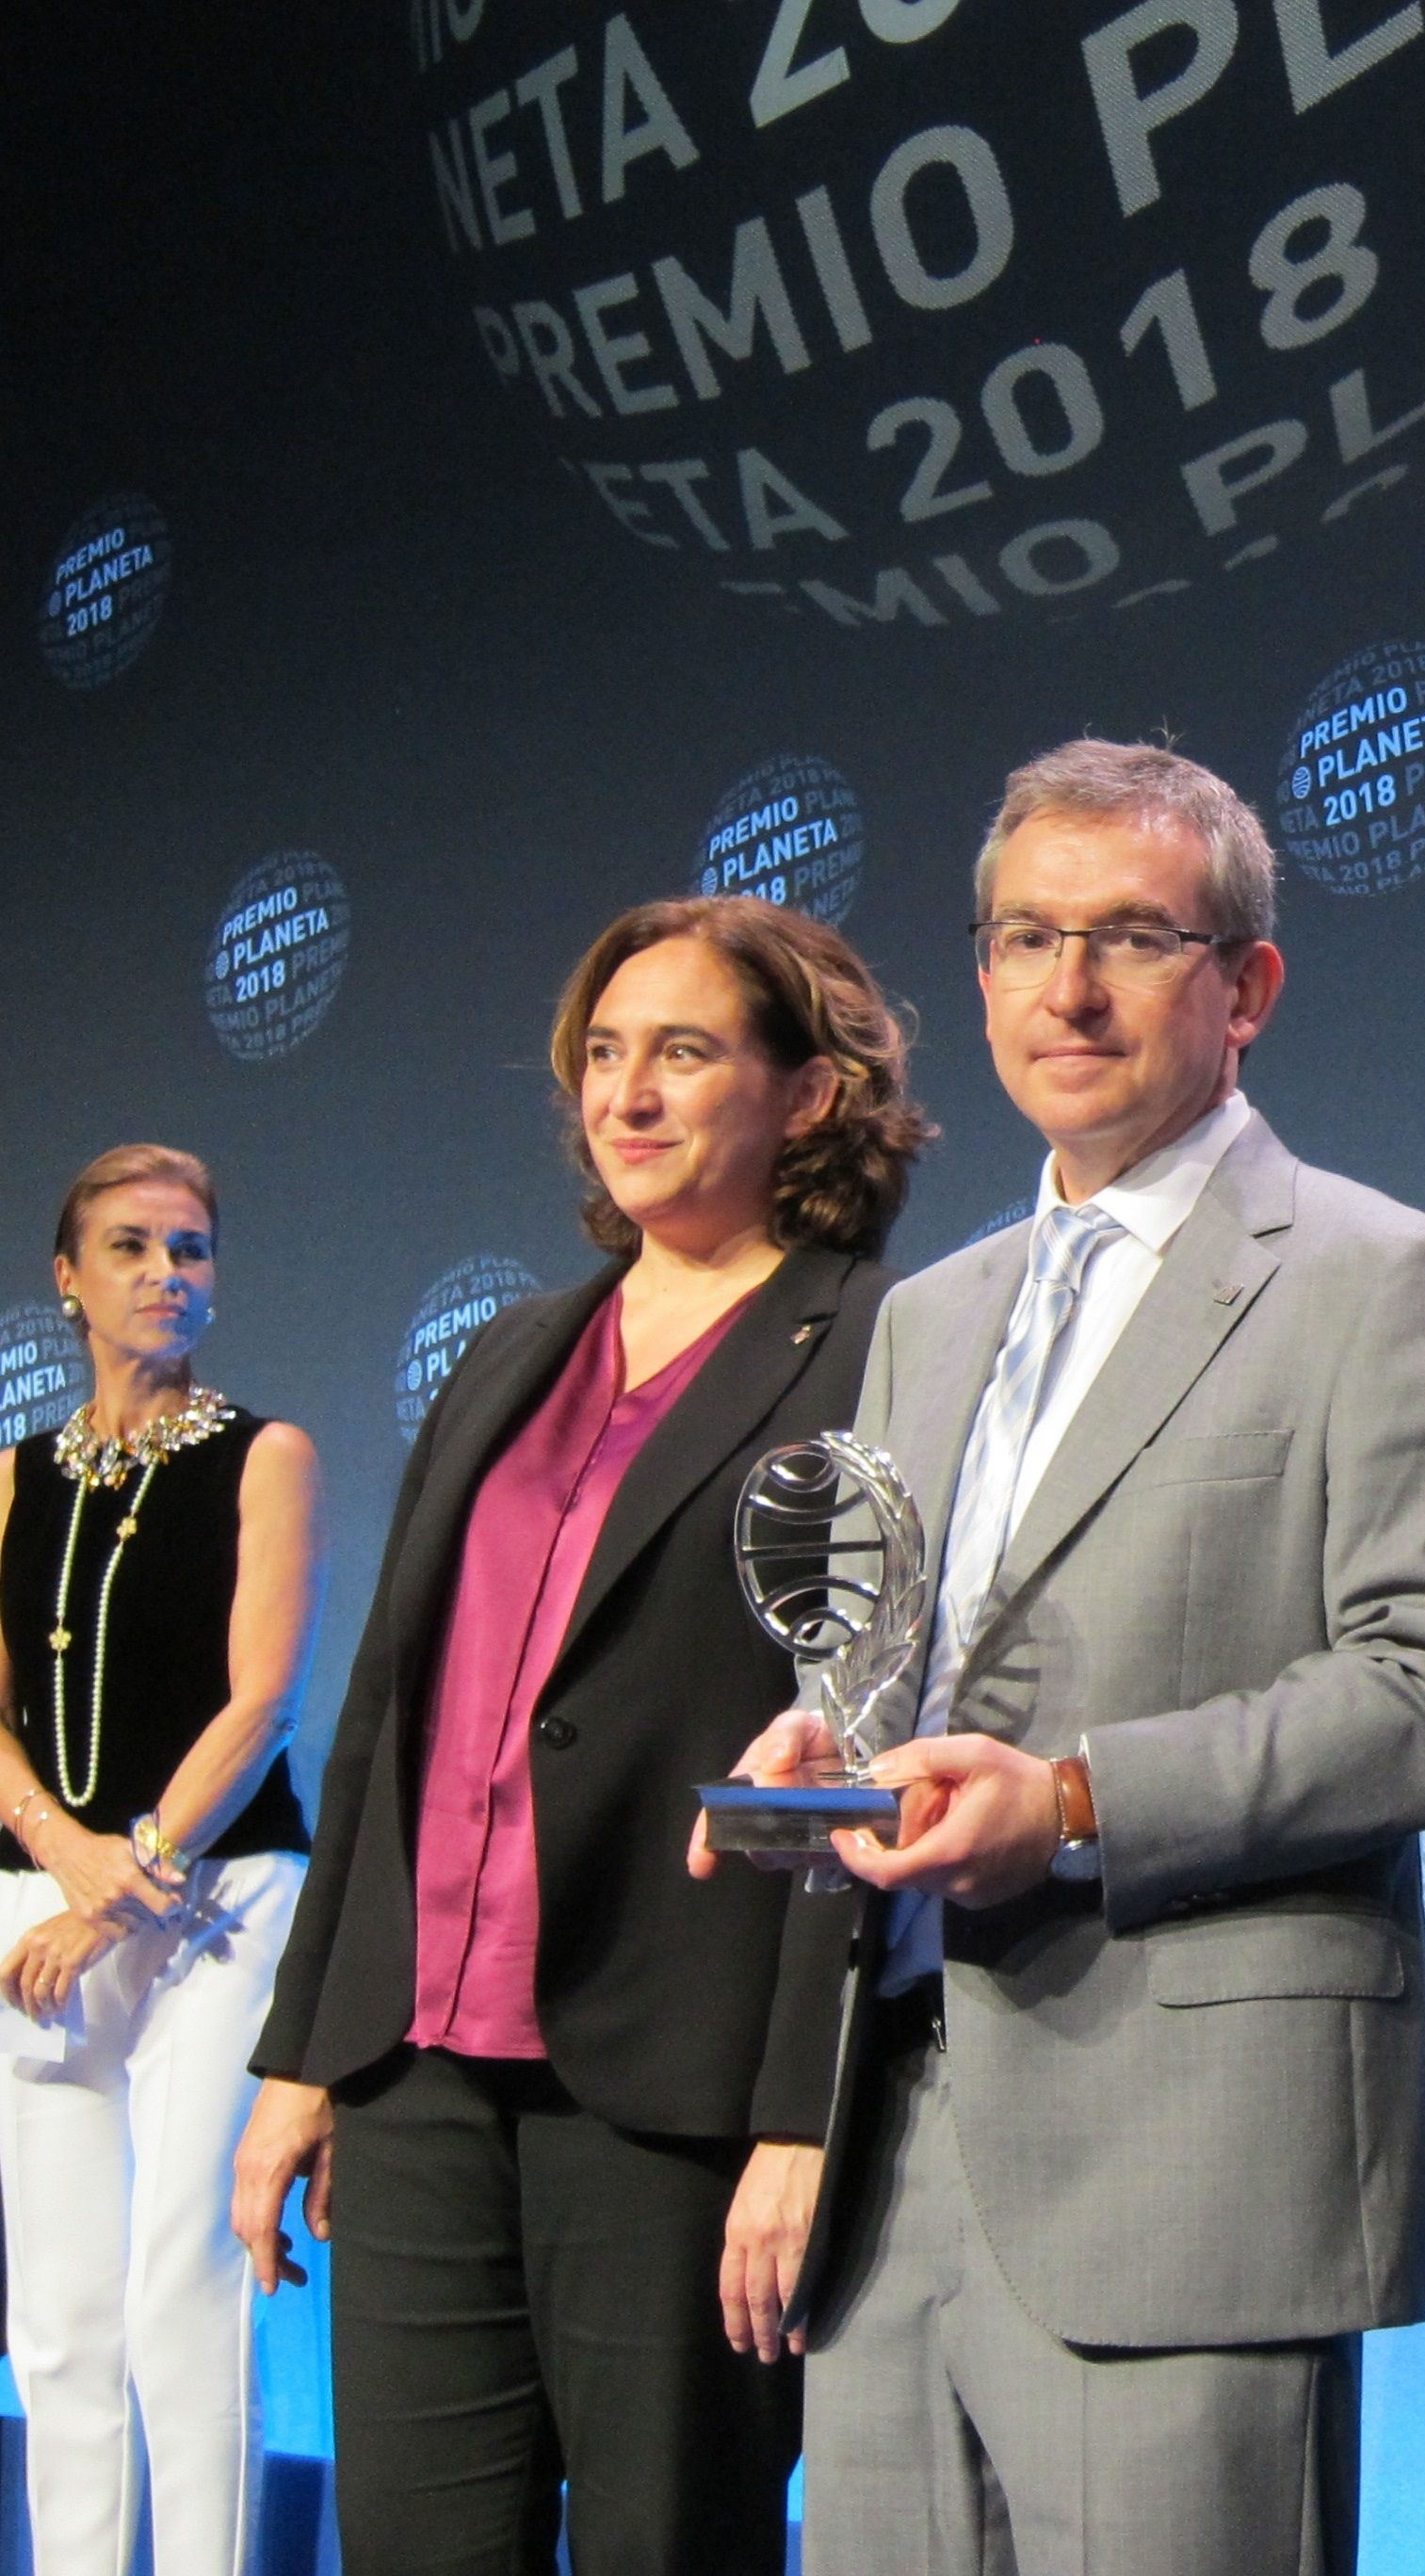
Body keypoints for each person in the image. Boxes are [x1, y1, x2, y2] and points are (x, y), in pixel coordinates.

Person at [703, 738, 1425, 2576]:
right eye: (1024, 939)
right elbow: (896, 1672)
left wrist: (1072, 1803)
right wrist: (815, 1751)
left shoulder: (1381, 1277)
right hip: (897, 2143)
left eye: (1132, 938)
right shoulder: (933, 1316)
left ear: (1248, 988)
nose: (1065, 990)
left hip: (1189, 2175)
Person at [231, 895, 922, 2571]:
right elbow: (392, 1714)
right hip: (417, 2073)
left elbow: (868, 1745)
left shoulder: (882, 1349)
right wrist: (303, 2056)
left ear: (806, 1096)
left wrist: (798, 2113)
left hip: (671, 2090)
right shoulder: (513, 1350)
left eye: (682, 1053)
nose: (626, 1096)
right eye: (603, 1057)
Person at [0, 1146, 318, 2575]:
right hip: (37, 1902)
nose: (165, 1274)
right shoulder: (9, 1477)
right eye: (129, 1247)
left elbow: (263, 1699)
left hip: (215, 1897)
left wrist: (134, 1867)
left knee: (180, 2284)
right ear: (67, 1279)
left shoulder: (267, 1454)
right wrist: (60, 1852)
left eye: (189, 1250)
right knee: (57, 2315)